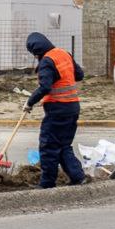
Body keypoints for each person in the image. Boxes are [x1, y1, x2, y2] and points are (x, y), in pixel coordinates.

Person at [25, 32, 86, 189]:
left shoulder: (46, 61)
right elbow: (79, 75)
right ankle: (78, 177)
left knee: (49, 146)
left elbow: (45, 87)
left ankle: (47, 184)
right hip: (73, 107)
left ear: (36, 52)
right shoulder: (63, 53)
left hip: (57, 110)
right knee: (64, 145)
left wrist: (30, 102)